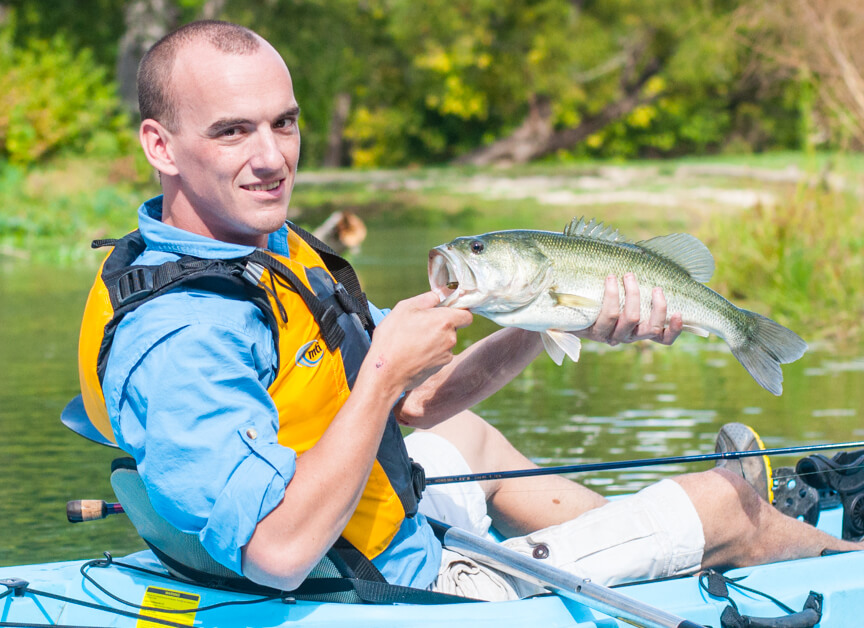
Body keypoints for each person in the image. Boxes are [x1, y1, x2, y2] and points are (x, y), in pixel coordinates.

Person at [76, 19, 863, 600]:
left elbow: (419, 401)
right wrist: (383, 374)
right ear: (161, 145)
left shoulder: (263, 247)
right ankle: (777, 543)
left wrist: (548, 317)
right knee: (720, 501)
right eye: (233, 132)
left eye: (284, 123)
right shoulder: (182, 335)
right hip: (379, 590)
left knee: (464, 432)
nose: (273, 156)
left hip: (366, 514)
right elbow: (277, 551)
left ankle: (648, 542)